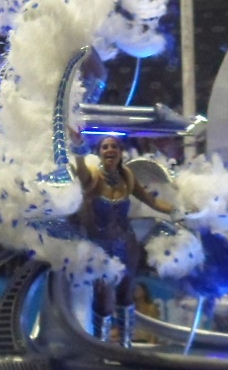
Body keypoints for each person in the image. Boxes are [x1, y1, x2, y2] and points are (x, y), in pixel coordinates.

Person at [72, 135, 175, 344]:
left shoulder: (127, 176)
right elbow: (81, 172)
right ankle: (101, 350)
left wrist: (180, 210)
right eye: (105, 147)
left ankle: (126, 347)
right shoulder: (94, 176)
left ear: (120, 152)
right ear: (99, 153)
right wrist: (79, 146)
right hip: (100, 248)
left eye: (114, 147)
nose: (109, 150)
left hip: (127, 244)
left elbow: (152, 201)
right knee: (103, 300)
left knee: (126, 296)